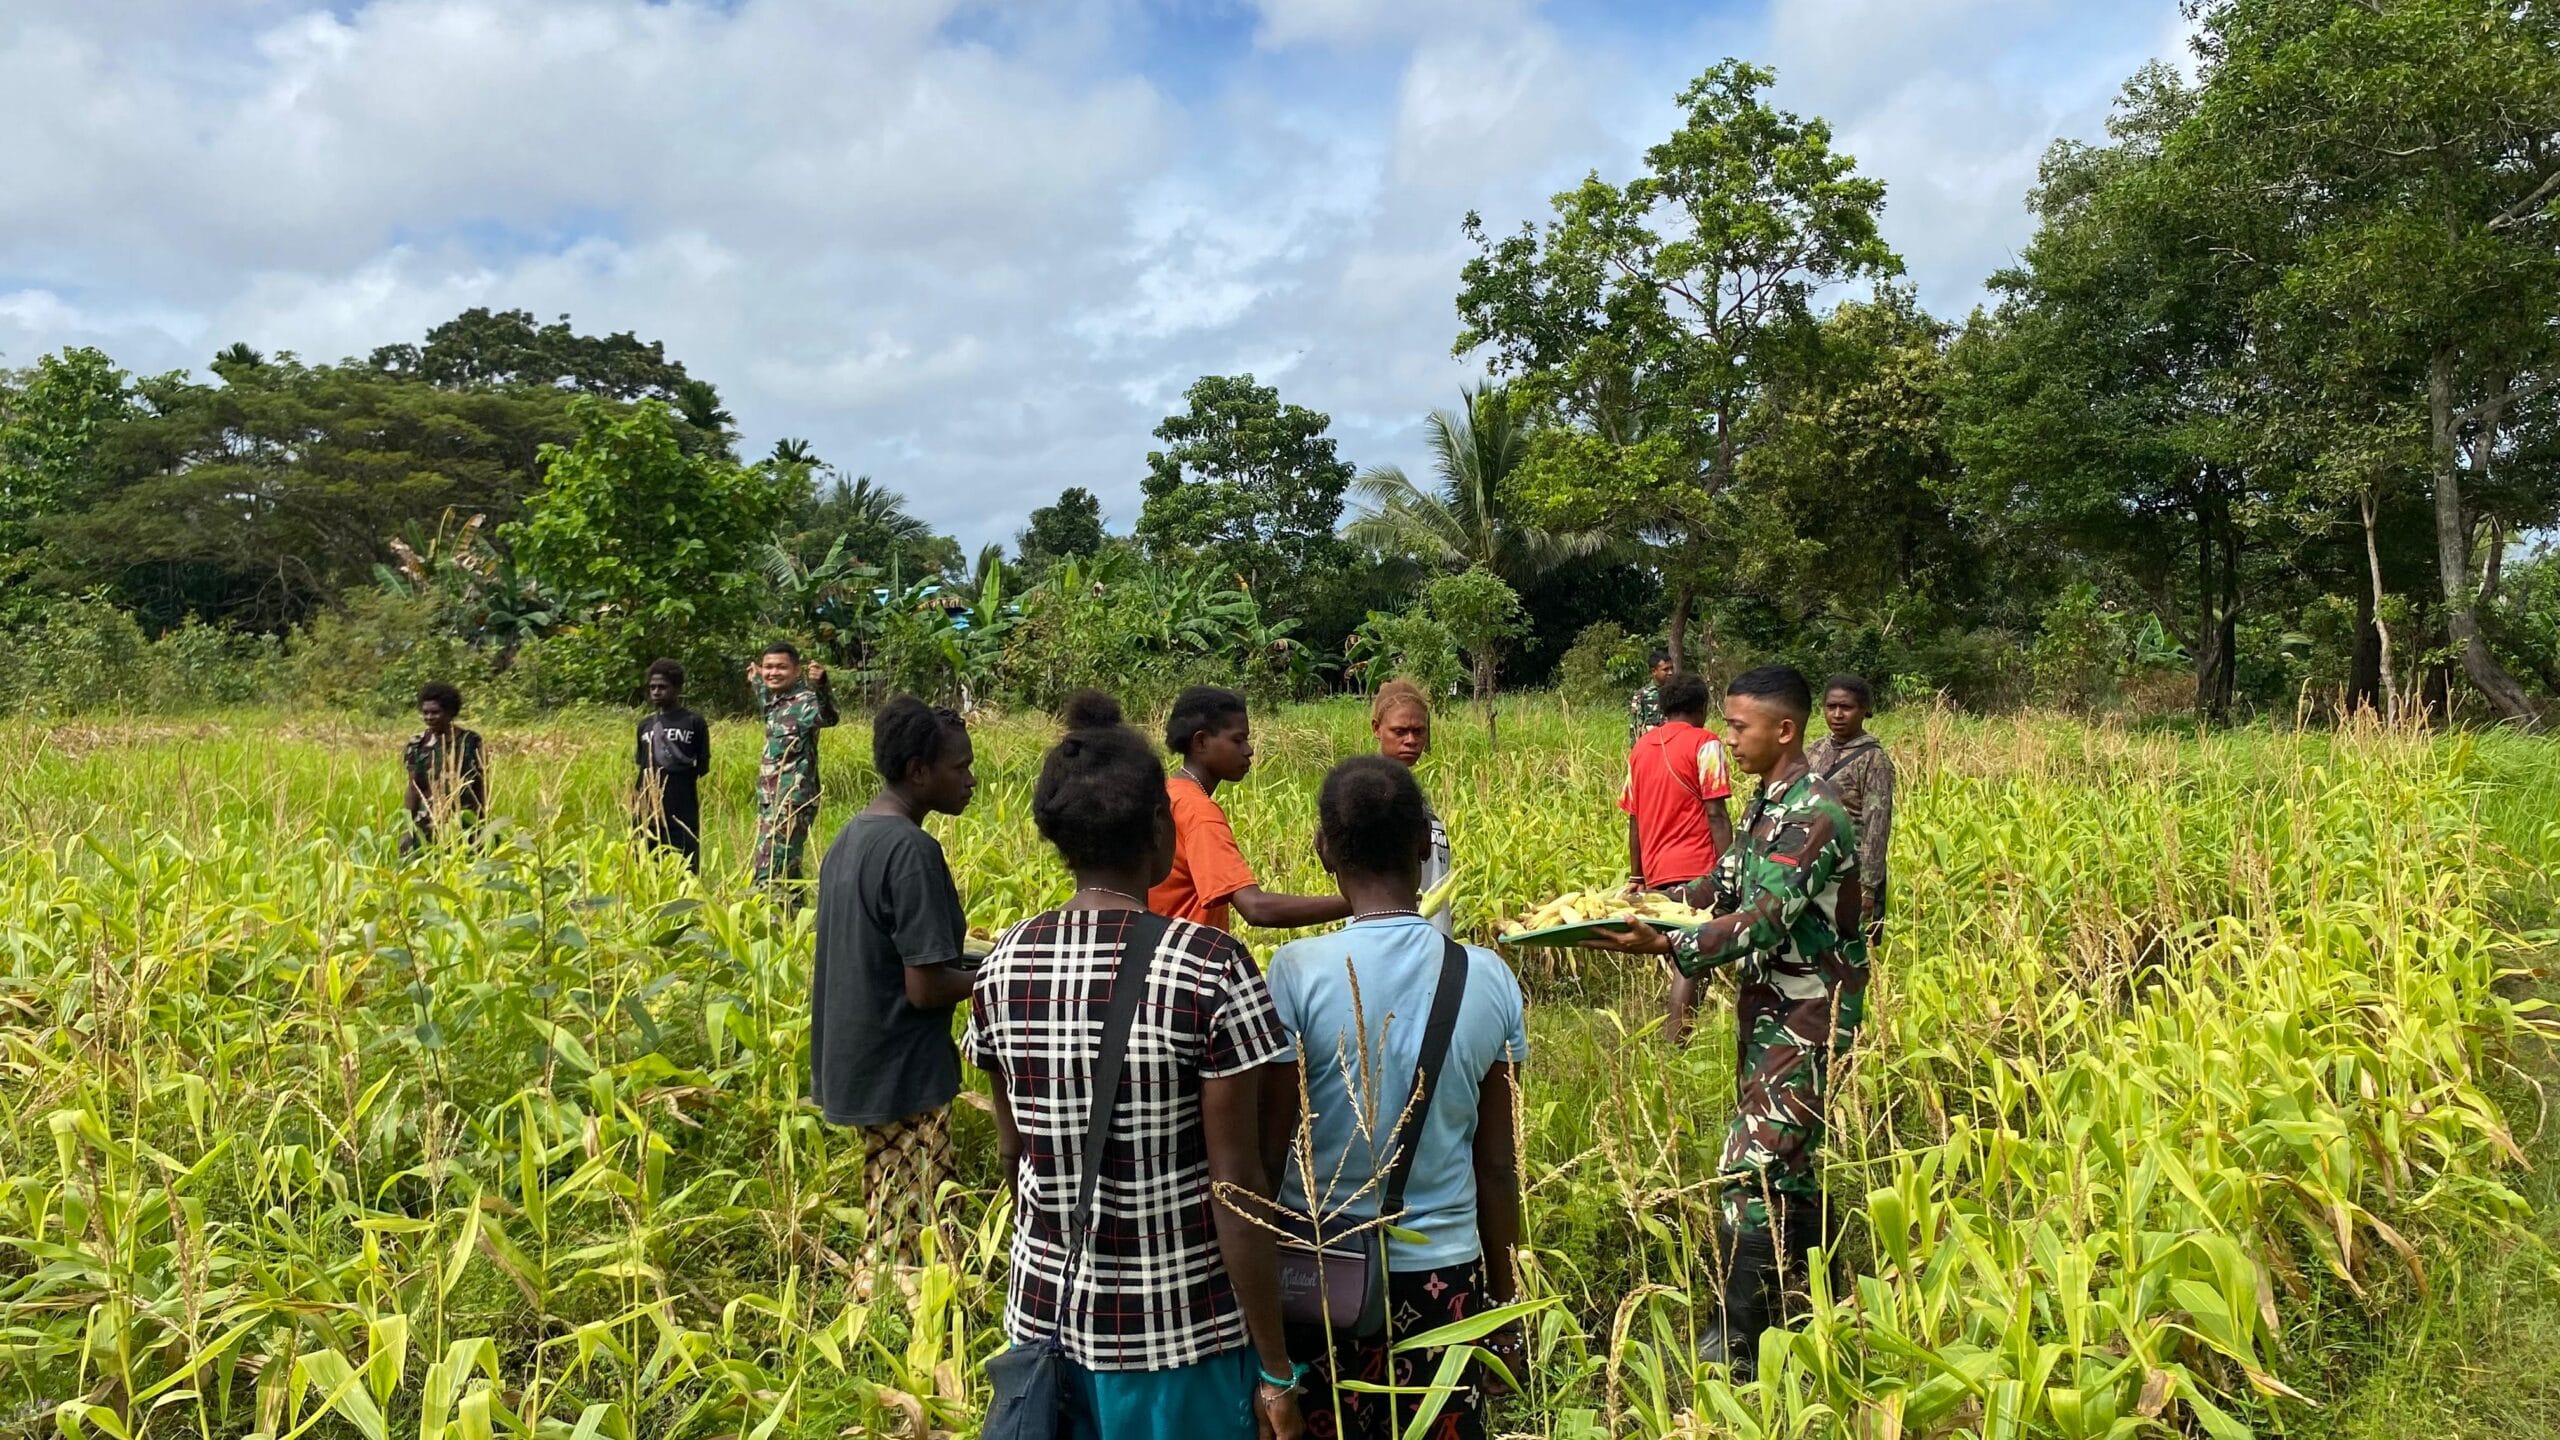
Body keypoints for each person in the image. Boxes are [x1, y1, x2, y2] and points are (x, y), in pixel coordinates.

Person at [965, 692, 1305, 1440]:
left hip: (1045, 1329)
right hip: (1181, 1335)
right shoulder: (1211, 966)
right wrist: (1277, 1370)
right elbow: (1237, 1187)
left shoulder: (1003, 962)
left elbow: (1013, 1151)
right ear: (1159, 827)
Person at [1587, 664, 1868, 1381]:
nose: (1729, 738)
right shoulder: (1766, 803)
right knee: (1790, 1165)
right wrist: (1652, 905)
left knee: (1753, 1165)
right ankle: (1818, 1307)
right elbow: (1726, 884)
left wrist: (1668, 945)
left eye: (1740, 727)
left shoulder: (1812, 814)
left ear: (1785, 730)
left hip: (1809, 1011)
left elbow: (1762, 921)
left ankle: (1736, 1345)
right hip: (1773, 1007)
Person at [1265, 757, 1528, 1440]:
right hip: (1446, 1277)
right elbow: (1498, 1166)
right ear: (1422, 846)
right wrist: (1505, 1309)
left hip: (1317, 1275)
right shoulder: (1489, 977)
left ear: (1323, 848)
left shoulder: (1294, 972)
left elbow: (1268, 1154)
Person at [812, 696, 977, 1261]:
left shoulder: (852, 836)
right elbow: (925, 987)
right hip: (901, 1071)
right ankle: (890, 1304)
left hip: (863, 1058)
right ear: (919, 771)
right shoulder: (911, 850)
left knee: (897, 1211)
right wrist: (1007, 974)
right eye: (960, 767)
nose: (970, 780)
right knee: (910, 1235)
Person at [1152, 685, 1351, 934]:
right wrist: (1359, 902)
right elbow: (1255, 908)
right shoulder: (1198, 812)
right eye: (1237, 740)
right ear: (1201, 742)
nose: (1249, 750)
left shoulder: (1169, 794)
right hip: (1185, 954)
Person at [1619, 672, 1735, 1045]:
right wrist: (1730, 870)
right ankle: (1675, 1043)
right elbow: (1716, 813)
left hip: (1657, 871)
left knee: (1683, 954)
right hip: (1699, 868)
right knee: (1693, 957)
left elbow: (1634, 820)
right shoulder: (1706, 743)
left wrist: (1637, 875)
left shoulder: (1640, 749)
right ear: (1702, 709)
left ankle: (1681, 1036)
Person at [1808, 675, 1895, 951]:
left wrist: (1868, 886)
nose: (1837, 714)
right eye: (1831, 706)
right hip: (1813, 866)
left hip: (1851, 871)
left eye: (1846, 707)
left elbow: (1876, 826)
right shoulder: (1815, 750)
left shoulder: (1873, 759)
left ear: (1864, 710)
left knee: (1852, 951)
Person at [746, 642, 838, 891]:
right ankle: (795, 911)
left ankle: (770, 912)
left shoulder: (805, 702)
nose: (773, 672)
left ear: (797, 671)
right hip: (770, 799)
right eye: (768, 667)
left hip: (791, 802)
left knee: (771, 867)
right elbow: (764, 692)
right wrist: (756, 679)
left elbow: (829, 717)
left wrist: (822, 685)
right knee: (788, 866)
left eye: (781, 667)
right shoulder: (774, 701)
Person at [1369, 680, 1453, 938]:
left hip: (1433, 942)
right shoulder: (1370, 796)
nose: (1411, 740)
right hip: (1393, 943)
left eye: (1419, 731)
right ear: (1376, 729)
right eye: (1400, 731)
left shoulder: (1413, 794)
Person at [634, 659, 711, 872]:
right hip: (646, 806)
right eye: (652, 687)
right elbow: (642, 763)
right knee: (645, 863)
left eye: (662, 687)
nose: (656, 692)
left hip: (681, 807)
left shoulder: (694, 722)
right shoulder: (644, 725)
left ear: (677, 688)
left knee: (684, 863)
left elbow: (702, 765)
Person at [401, 680, 486, 853]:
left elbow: (480, 784)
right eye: (425, 713)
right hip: (428, 819)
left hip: (465, 818)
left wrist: (483, 821)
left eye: (435, 712)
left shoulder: (470, 742)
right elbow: (414, 787)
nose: (429, 717)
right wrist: (408, 827)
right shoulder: (417, 744)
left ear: (450, 712)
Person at [1627, 649, 1674, 743]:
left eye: (1671, 668)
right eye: (1665, 669)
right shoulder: (1641, 695)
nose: (1670, 672)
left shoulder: (1677, 693)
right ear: (1654, 671)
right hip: (1651, 744)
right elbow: (1635, 728)